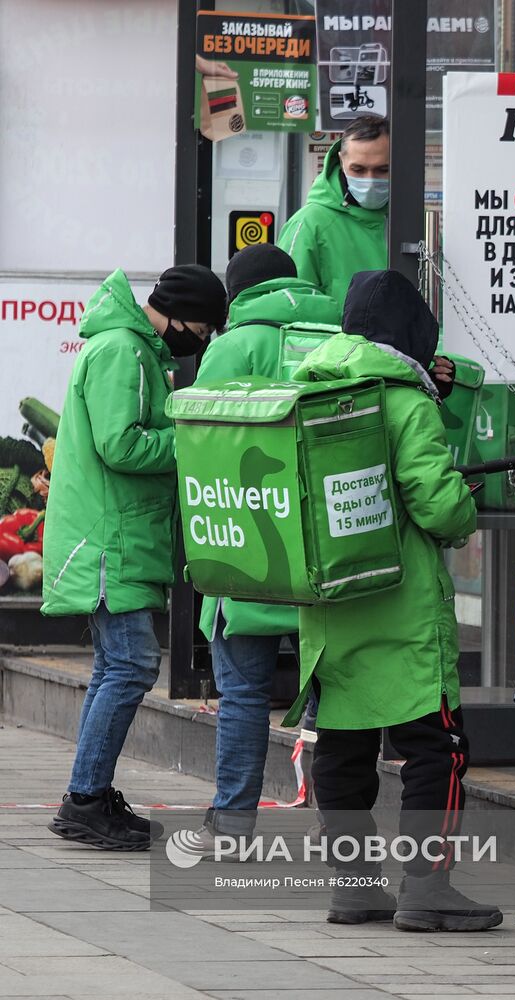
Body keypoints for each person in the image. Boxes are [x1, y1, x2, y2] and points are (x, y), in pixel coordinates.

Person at [283, 270, 503, 933]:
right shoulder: (406, 400)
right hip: (402, 610)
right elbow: (438, 506)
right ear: (413, 330)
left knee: (344, 744)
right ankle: (426, 886)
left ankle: (353, 888)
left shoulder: (305, 391)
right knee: (438, 747)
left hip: (331, 606)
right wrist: (466, 510)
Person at [43, 264, 227, 851]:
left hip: (115, 534)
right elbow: (119, 444)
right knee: (131, 666)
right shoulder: (123, 350)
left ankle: (88, 794)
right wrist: (193, 437)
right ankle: (85, 801)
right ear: (173, 314)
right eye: (200, 328)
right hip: (108, 539)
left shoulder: (135, 348)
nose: (201, 339)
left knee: (114, 668)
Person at [188, 244, 342, 852]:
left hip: (246, 547)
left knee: (244, 695)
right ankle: (340, 828)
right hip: (324, 550)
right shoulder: (339, 336)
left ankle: (231, 822)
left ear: (238, 293)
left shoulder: (230, 346)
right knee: (337, 699)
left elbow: (197, 445)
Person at [278, 116, 389, 309]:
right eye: (358, 169)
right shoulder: (309, 224)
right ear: (341, 160)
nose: (370, 181)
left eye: (382, 169)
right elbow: (290, 307)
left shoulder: (415, 222)